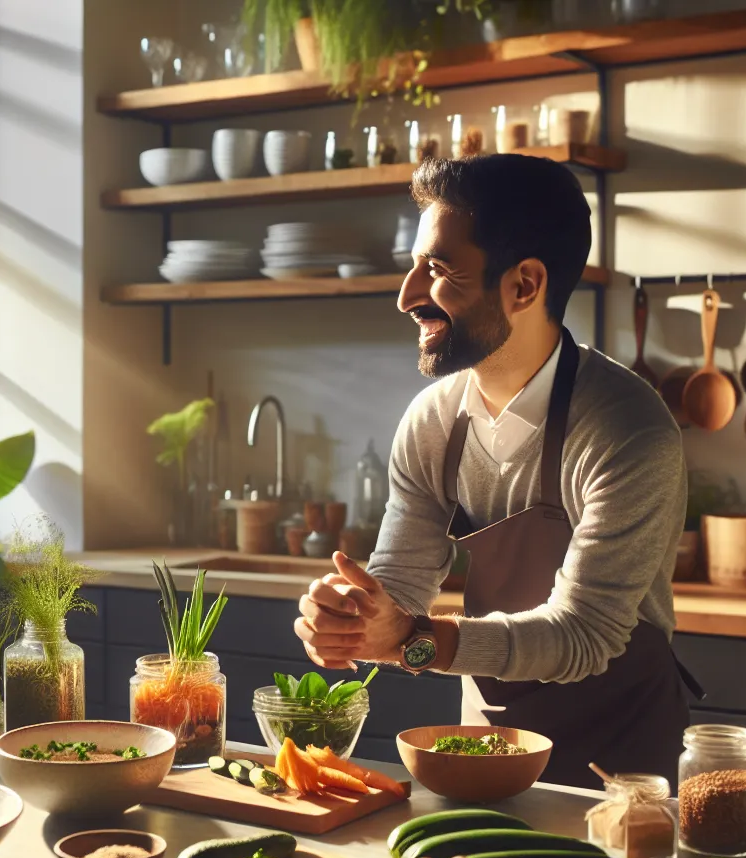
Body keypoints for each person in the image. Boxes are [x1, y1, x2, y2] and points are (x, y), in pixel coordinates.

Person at [292, 154, 699, 785]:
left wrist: (412, 640)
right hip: (487, 752)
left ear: (525, 285)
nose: (407, 298)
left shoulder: (626, 429)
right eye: (413, 269)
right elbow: (399, 589)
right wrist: (356, 617)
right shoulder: (433, 421)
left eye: (439, 270)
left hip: (624, 770)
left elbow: (583, 635)